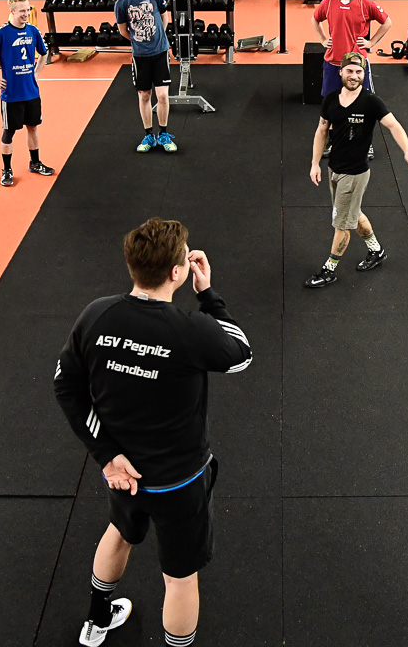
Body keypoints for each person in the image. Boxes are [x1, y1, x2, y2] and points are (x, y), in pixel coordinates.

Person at [54, 217, 252, 647]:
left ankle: (96, 620)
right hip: (178, 482)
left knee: (120, 533)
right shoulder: (191, 329)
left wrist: (106, 454)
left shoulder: (95, 314)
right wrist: (208, 295)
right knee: (180, 579)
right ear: (177, 272)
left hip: (121, 473)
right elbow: (241, 354)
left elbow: (65, 386)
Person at [304, 53, 408, 289]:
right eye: (350, 71)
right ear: (341, 72)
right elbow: (321, 130)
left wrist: (407, 150)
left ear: (364, 74)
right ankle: (376, 250)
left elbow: (393, 125)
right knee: (352, 214)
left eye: (359, 72)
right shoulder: (330, 100)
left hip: (355, 173)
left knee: (342, 224)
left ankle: (329, 269)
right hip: (334, 169)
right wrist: (315, 163)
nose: (354, 76)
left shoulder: (371, 102)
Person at [0, 0, 56, 187]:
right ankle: (7, 170)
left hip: (31, 92)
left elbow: (44, 54)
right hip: (11, 94)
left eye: (28, 10)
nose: (26, 14)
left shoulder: (33, 31)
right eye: (22, 10)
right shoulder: (1, 33)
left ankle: (35, 163)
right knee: (9, 131)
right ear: (12, 11)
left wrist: (36, 73)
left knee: (33, 127)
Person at [114, 0, 177, 153]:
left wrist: (160, 38)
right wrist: (140, 41)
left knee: (163, 95)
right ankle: (149, 135)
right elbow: (123, 30)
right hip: (140, 56)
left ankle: (164, 134)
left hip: (160, 52)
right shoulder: (122, 3)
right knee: (144, 95)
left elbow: (165, 16)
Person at [313, 0, 391, 97]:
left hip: (357, 63)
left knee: (363, 101)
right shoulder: (328, 2)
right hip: (333, 61)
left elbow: (387, 22)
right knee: (330, 102)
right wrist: (323, 39)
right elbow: (315, 19)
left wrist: (371, 43)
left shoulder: (366, 3)